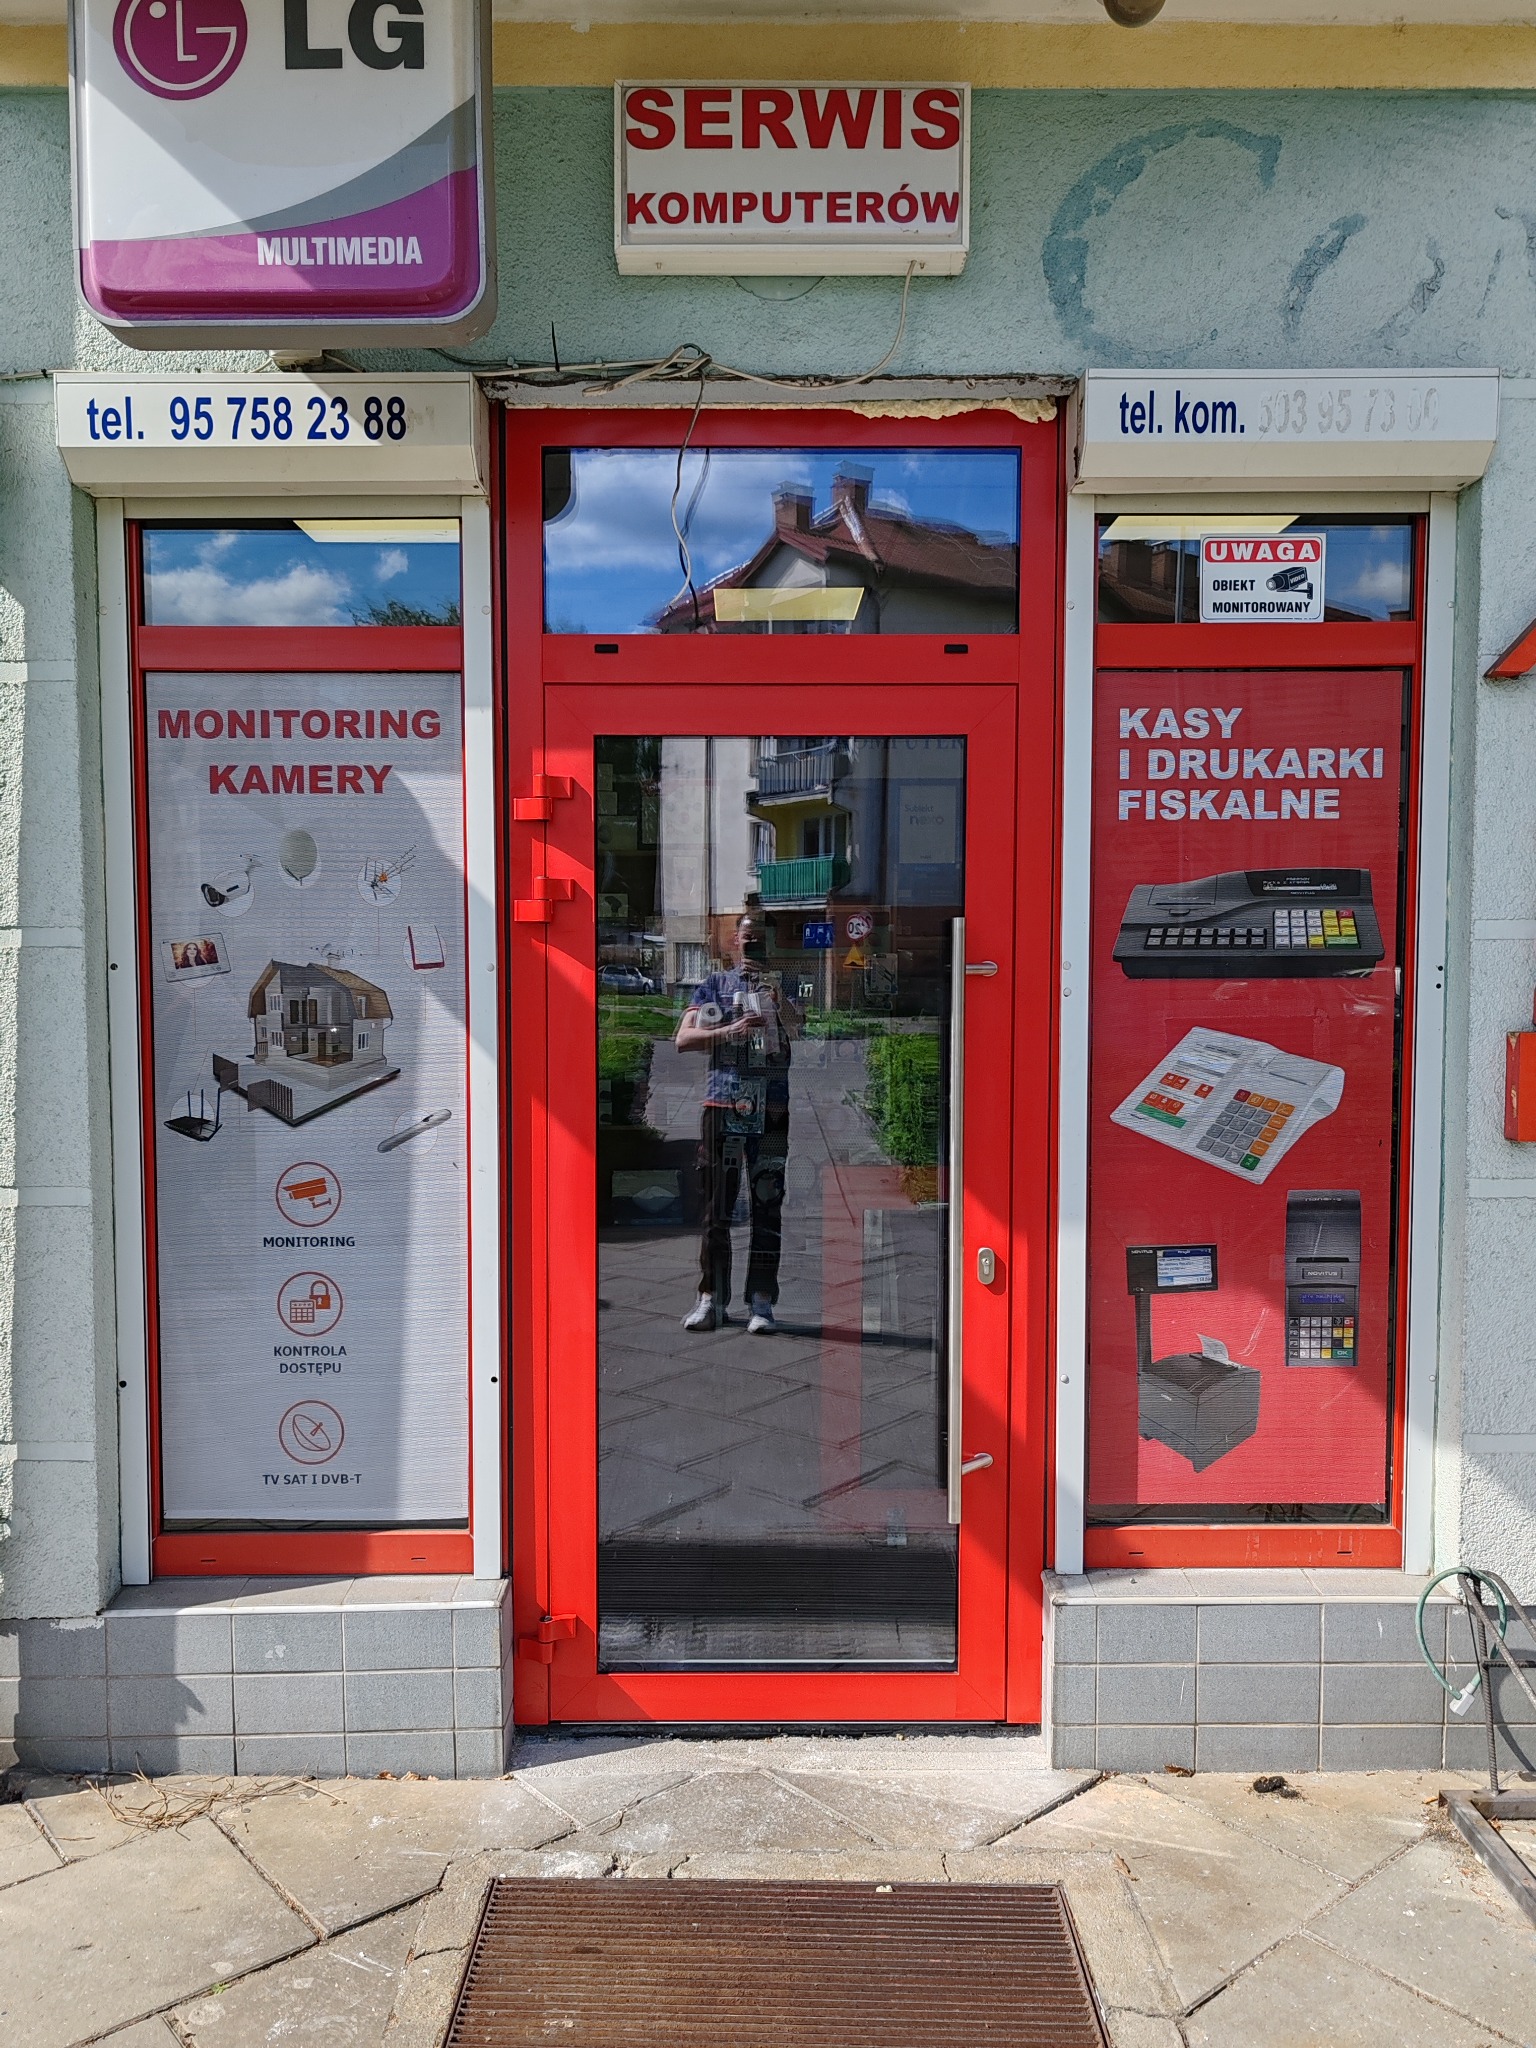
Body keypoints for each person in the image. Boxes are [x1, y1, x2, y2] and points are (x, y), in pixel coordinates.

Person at [675, 908, 802, 1335]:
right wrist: (729, 1032)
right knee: (717, 1208)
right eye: (746, 939)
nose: (752, 946)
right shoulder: (715, 985)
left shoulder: (783, 985)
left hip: (771, 1109)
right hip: (723, 1105)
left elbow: (800, 1032)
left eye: (760, 940)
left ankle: (761, 1301)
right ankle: (711, 1297)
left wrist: (777, 998)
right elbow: (683, 1038)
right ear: (735, 942)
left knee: (768, 1205)